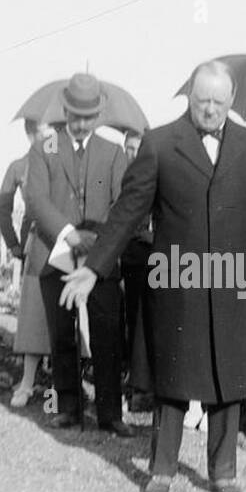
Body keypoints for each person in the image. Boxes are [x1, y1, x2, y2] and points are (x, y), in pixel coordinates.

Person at [59, 59, 246, 492]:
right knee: (172, 379)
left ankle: (223, 472)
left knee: (229, 379)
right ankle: (162, 470)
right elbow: (127, 213)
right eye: (200, 100)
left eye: (217, 102)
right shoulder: (159, 143)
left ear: (231, 101)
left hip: (235, 283)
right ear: (189, 97)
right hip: (176, 282)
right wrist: (94, 268)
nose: (208, 110)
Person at [24, 73, 129, 434]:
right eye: (75, 115)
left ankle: (110, 414)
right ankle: (67, 407)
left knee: (107, 335)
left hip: (100, 255)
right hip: (56, 252)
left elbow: (123, 205)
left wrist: (97, 242)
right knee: (62, 335)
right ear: (65, 109)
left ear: (99, 114)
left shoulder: (114, 152)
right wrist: (69, 234)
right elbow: (35, 199)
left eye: (89, 116)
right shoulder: (45, 147)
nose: (81, 124)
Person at [0, 119, 53, 407]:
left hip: (67, 244)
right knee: (34, 312)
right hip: (36, 243)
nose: (49, 136)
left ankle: (62, 385)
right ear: (30, 134)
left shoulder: (64, 161)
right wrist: (14, 245)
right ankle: (28, 381)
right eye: (43, 131)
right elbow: (2, 208)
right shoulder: (19, 166)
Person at [117, 129, 155, 411]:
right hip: (131, 258)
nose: (130, 153)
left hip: (153, 260)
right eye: (127, 148)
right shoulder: (123, 178)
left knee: (148, 324)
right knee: (132, 321)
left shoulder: (152, 174)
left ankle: (144, 386)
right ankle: (134, 382)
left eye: (135, 148)